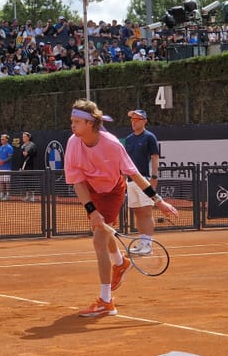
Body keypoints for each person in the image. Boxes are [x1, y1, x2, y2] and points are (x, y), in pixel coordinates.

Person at [65, 99, 178, 318]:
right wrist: (91, 210)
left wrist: (159, 201)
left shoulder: (112, 144)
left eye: (77, 121)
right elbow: (77, 181)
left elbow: (134, 174)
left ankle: (106, 301)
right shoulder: (73, 142)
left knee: (98, 239)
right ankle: (120, 262)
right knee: (102, 229)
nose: (72, 125)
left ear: (90, 124)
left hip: (113, 189)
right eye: (72, 121)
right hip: (91, 188)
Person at [124, 109, 161, 254]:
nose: (134, 121)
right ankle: (142, 242)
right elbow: (125, 161)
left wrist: (154, 177)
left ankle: (148, 245)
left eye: (137, 119)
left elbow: (155, 158)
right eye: (132, 119)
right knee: (138, 212)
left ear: (145, 121)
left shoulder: (149, 137)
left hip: (144, 179)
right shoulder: (129, 139)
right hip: (131, 181)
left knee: (146, 212)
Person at [0, 133, 13, 201]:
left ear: (7, 140)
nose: (2, 140)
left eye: (3, 139)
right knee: (1, 182)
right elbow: (0, 157)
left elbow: (10, 157)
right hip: (1, 168)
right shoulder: (1, 147)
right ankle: (1, 195)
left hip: (7, 168)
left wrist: (3, 162)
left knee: (7, 182)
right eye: (1, 139)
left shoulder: (9, 147)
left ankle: (7, 195)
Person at [20, 131, 37, 202]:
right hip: (24, 166)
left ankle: (32, 196)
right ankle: (27, 196)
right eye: (22, 137)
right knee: (26, 181)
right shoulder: (22, 146)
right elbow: (21, 157)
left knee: (31, 180)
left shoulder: (32, 145)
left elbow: (35, 153)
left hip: (30, 165)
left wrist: (28, 153)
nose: (23, 138)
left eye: (24, 136)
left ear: (28, 137)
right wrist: (21, 166)